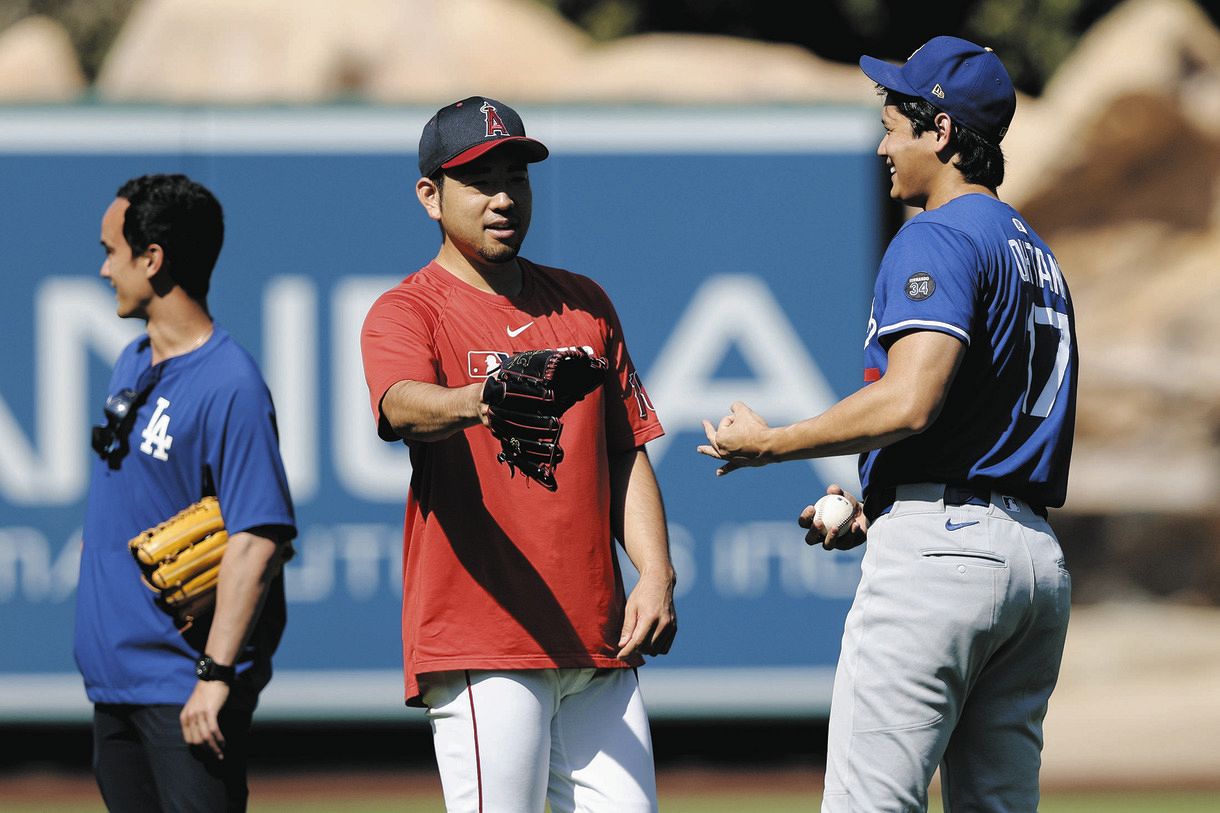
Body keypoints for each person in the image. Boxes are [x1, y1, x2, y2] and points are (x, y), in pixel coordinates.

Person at [699, 37, 1078, 812]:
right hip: (1033, 561)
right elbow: (982, 416)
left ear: (939, 132)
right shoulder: (1034, 250)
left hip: (945, 556)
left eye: (894, 123)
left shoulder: (938, 233)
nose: (882, 144)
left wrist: (772, 442)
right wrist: (884, 501)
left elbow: (911, 400)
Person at [360, 95, 677, 813]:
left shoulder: (583, 303)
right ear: (431, 196)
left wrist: (655, 571)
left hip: (598, 641)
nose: (504, 197)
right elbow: (400, 403)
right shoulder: (409, 309)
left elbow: (623, 450)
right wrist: (480, 397)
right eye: (480, 180)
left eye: (518, 177)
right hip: (486, 640)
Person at [74, 173, 297, 811]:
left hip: (184, 690)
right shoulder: (134, 362)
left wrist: (216, 676)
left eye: (112, 251)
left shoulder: (231, 384)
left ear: (153, 259)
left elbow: (259, 537)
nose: (103, 269)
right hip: (117, 686)